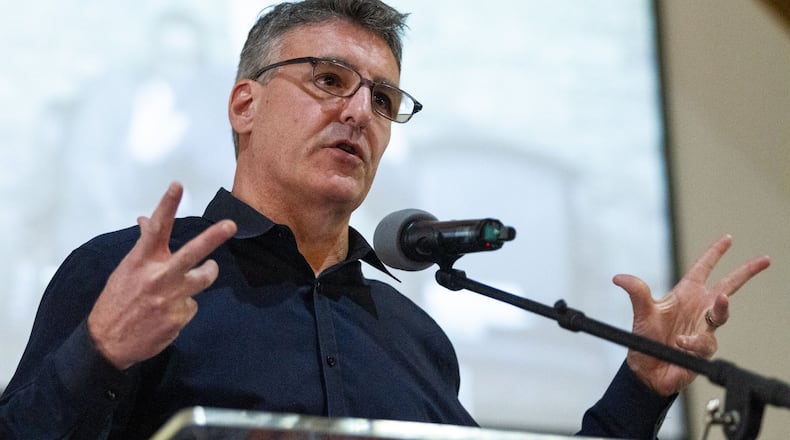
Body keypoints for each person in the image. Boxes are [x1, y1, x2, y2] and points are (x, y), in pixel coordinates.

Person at [0, 1, 771, 439]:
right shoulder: (127, 277)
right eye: (328, 79)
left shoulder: (414, 337)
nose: (357, 112)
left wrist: (642, 384)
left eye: (382, 99)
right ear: (244, 104)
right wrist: (99, 351)